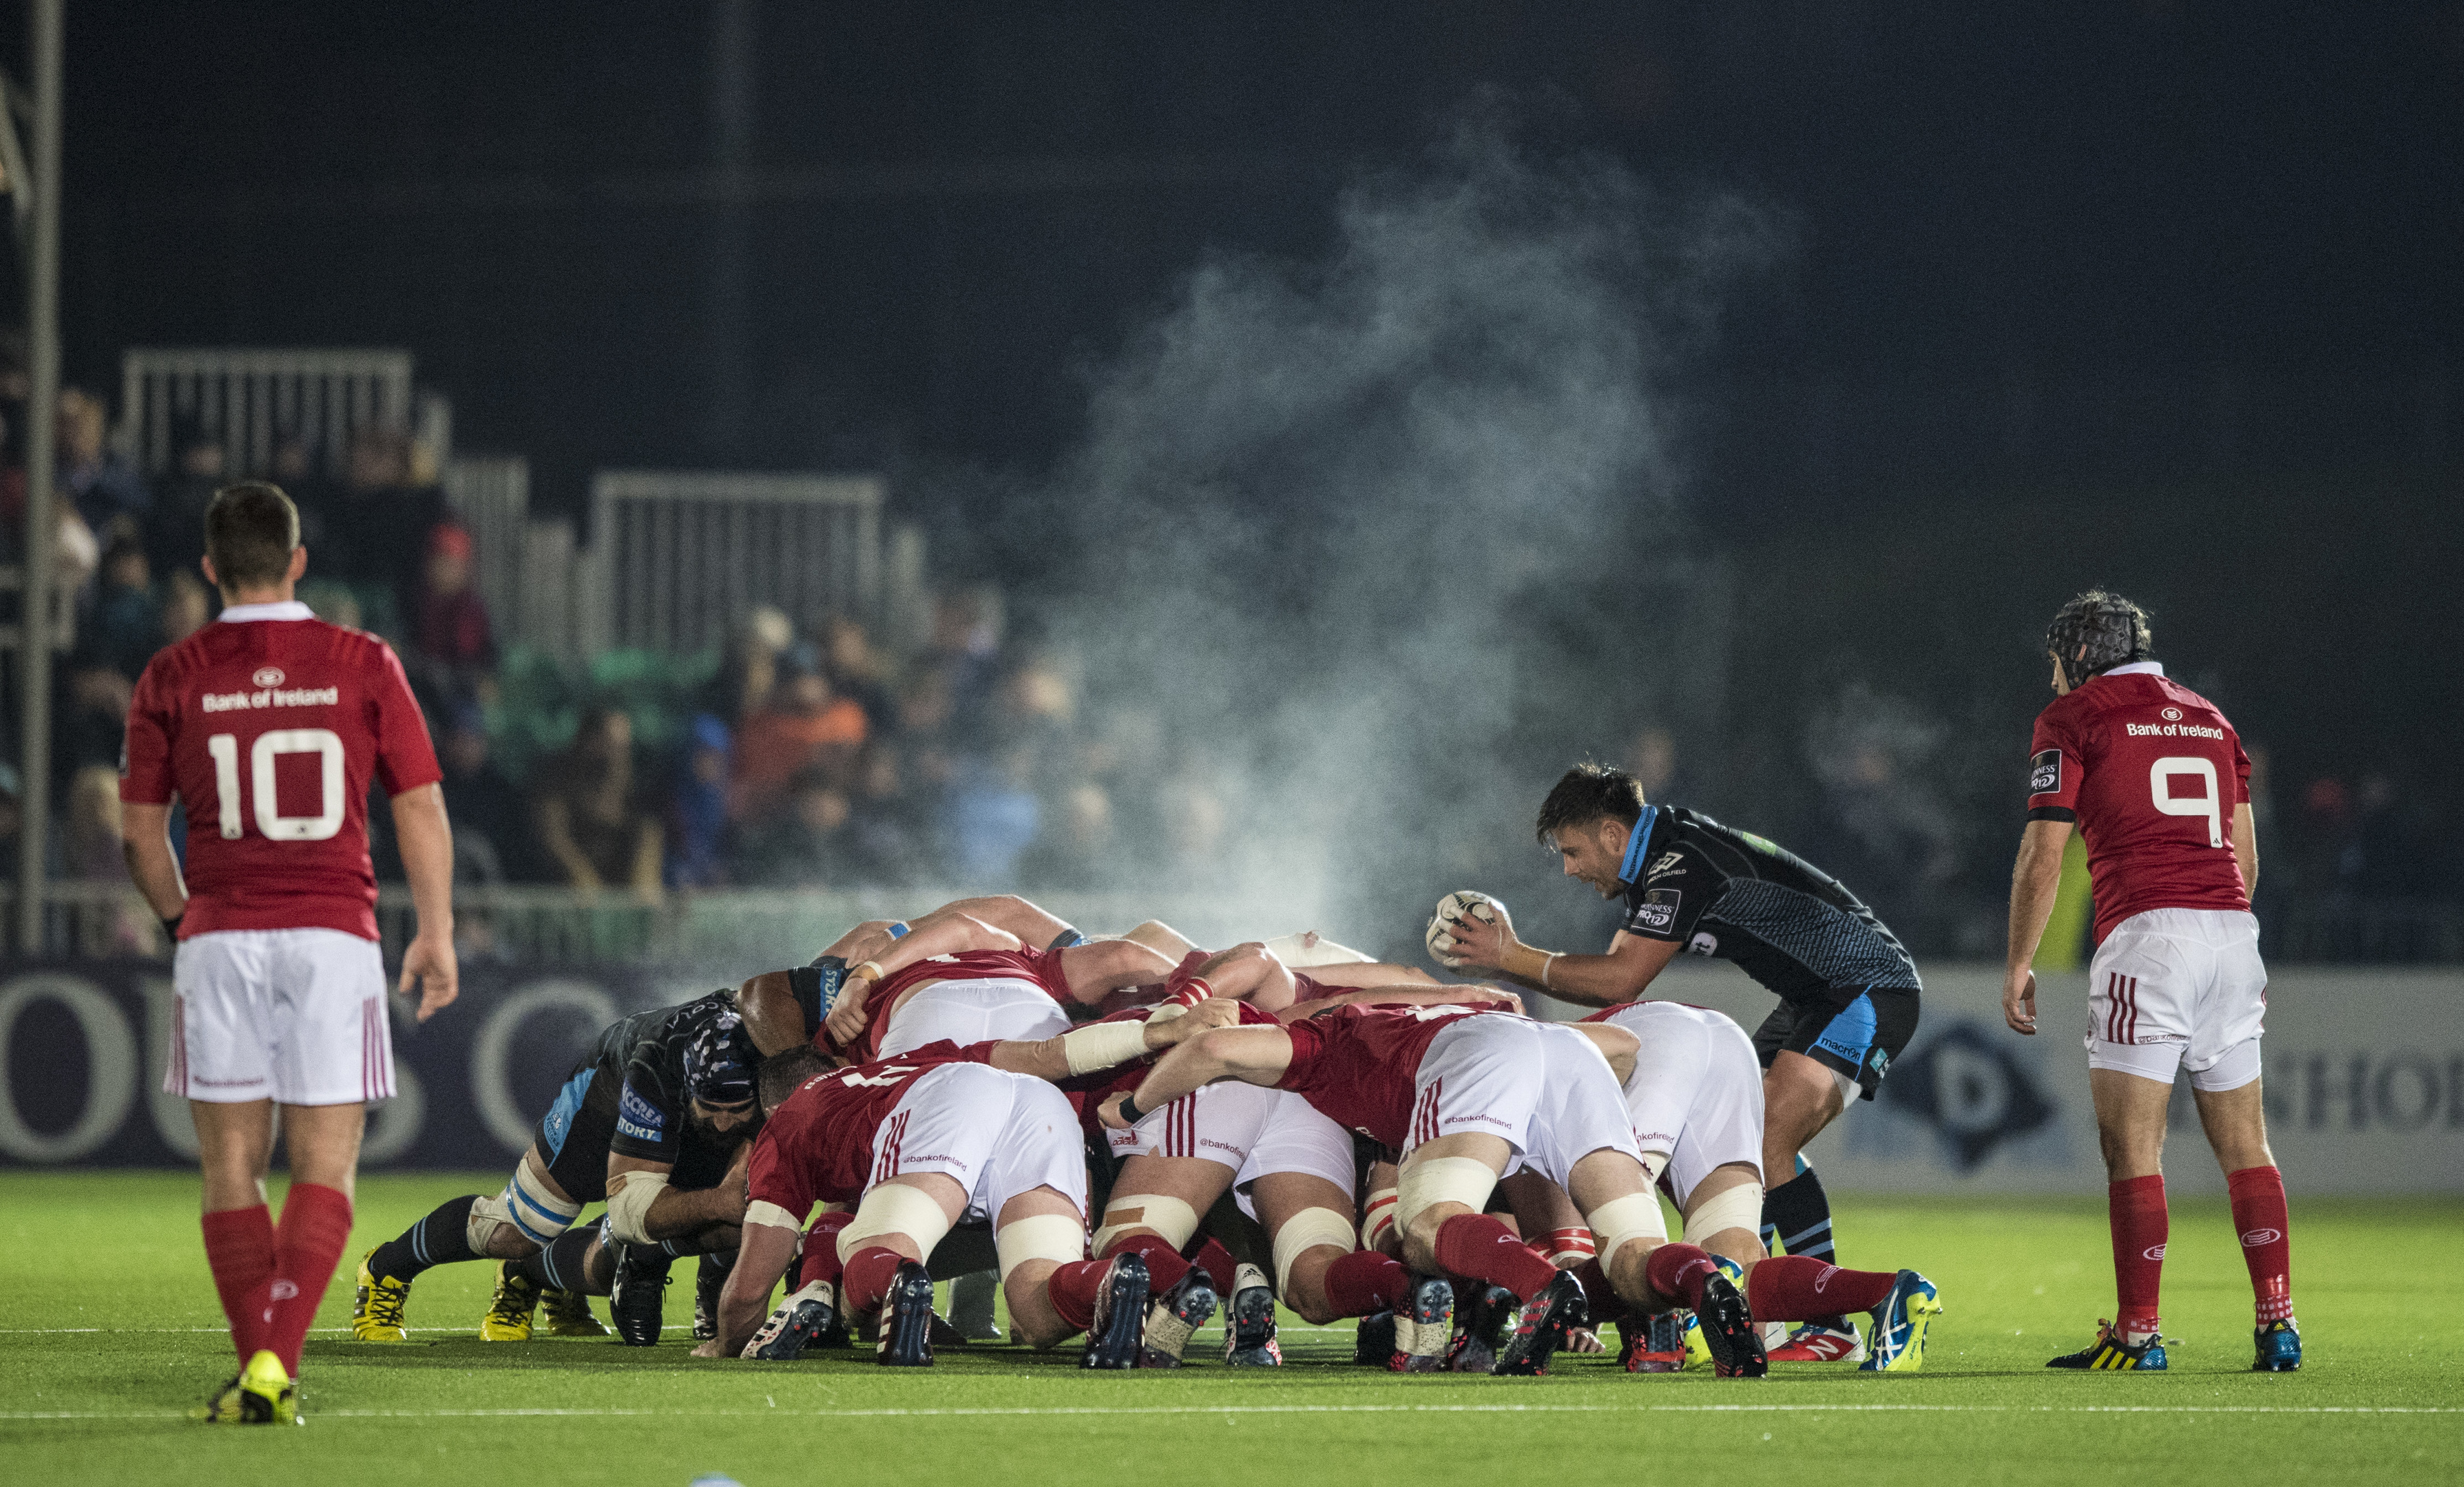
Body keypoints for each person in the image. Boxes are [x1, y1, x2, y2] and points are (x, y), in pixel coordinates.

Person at [118, 481, 457, 1424]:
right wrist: (434, 931)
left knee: (233, 1170)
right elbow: (419, 804)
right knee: (325, 1170)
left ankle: (257, 1364)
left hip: (219, 934)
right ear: (299, 561)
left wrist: (180, 918)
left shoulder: (172, 673)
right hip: (330, 937)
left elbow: (141, 836)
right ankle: (274, 1362)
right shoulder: (361, 660)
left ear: (209, 568)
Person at [1436, 762, 1923, 1363]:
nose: (1570, 869)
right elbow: (1610, 978)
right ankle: (1763, 1301)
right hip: (1811, 997)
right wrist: (1509, 962)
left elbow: (1622, 978)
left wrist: (1511, 955)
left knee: (1768, 1131)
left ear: (1614, 835)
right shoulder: (1659, 860)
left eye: (1573, 851)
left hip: (1868, 987)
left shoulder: (1681, 864)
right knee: (1740, 1141)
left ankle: (1828, 1322)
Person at [1102, 1001, 1764, 1378]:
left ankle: (1542, 1288)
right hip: (1567, 1052)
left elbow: (1215, 1050)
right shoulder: (1422, 1014)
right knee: (1632, 1252)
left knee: (1427, 1231)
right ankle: (1703, 1276)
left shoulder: (1327, 1040)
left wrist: (1130, 1109)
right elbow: (1620, 1048)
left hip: (1474, 1051)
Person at [2001, 590, 2297, 1373]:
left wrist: (2019, 962)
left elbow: (2042, 854)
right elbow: (2246, 860)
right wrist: (2217, 936)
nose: (2056, 673)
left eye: (2061, 657)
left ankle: (2136, 1334)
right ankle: (2277, 1323)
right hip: (2232, 935)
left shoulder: (2071, 720)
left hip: (2147, 934)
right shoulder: (2211, 717)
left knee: (2130, 1145)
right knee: (2245, 1144)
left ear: (2084, 654)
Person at [700, 1042, 1155, 1367]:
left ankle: (894, 1280)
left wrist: (725, 1344)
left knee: (870, 1257)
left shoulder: (785, 1124)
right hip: (1041, 1103)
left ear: (772, 1106)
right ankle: (1109, 1280)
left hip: (949, 1102)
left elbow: (748, 1290)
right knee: (1037, 1316)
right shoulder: (898, 1063)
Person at [353, 992, 764, 1347]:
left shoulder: (778, 1052)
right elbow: (630, 1211)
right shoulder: (657, 1064)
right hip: (603, 1106)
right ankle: (386, 1269)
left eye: (737, 1110)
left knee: (663, 1243)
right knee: (519, 1231)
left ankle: (537, 1277)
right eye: (711, 1108)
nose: (725, 1121)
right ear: (689, 1087)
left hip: (687, 1114)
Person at [1572, 1000, 1941, 1372]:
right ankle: (1885, 1292)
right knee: (1737, 1261)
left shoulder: (1523, 1060)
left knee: (1629, 1252)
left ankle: (1665, 1321)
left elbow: (1560, 1251)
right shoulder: (1537, 1042)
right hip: (1726, 1041)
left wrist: (1569, 1306)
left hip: (1657, 1050)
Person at [536, 708, 663, 900]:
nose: (620, 750)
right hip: (568, 881)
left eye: (624, 744)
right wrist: (584, 878)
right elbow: (554, 837)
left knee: (650, 833)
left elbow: (643, 828)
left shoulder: (625, 777)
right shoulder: (559, 779)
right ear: (591, 740)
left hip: (616, 876)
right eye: (613, 742)